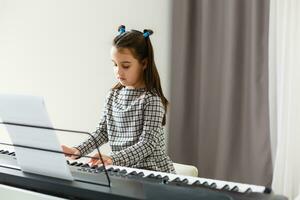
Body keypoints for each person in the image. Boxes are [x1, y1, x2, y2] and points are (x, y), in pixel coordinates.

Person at [62, 25, 175, 174]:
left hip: (153, 173)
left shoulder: (151, 100)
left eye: (126, 66)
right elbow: (103, 132)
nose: (118, 71)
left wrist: (112, 159)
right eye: (115, 64)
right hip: (124, 170)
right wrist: (77, 150)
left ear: (144, 63)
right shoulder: (113, 96)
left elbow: (147, 144)